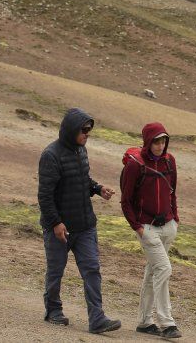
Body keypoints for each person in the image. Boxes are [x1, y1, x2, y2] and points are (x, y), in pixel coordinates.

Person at [37, 107, 121, 334]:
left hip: (85, 226)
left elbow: (83, 179)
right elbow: (45, 196)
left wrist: (98, 188)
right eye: (83, 130)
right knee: (56, 271)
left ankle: (97, 319)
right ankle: (53, 310)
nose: (87, 134)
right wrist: (55, 223)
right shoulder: (50, 155)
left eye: (89, 130)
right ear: (71, 129)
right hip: (59, 229)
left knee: (92, 269)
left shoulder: (81, 151)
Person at [120, 122, 181, 339]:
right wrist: (138, 228)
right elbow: (126, 201)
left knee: (153, 271)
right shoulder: (135, 165)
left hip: (168, 226)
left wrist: (175, 219)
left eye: (163, 141)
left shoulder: (170, 161)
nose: (160, 146)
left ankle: (145, 322)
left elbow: (172, 192)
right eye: (156, 141)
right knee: (164, 269)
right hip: (147, 228)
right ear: (148, 141)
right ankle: (167, 323)